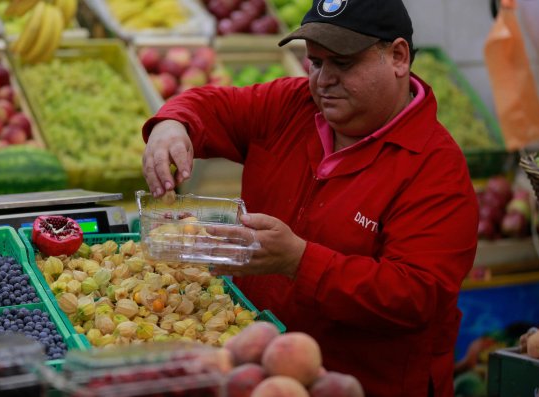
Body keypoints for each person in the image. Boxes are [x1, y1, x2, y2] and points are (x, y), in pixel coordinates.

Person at [141, 0, 479, 395]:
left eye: (343, 63)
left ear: (398, 57)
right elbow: (214, 105)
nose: (323, 80)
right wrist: (173, 124)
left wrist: (301, 262)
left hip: (364, 385)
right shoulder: (292, 104)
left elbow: (415, 294)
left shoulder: (435, 168)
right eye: (315, 63)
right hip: (265, 375)